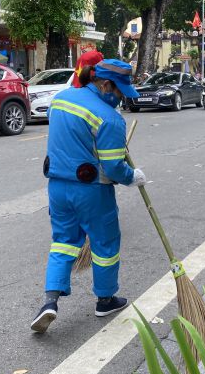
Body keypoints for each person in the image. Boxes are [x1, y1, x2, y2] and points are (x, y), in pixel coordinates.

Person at [31, 58, 147, 333]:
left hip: (57, 188)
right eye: (119, 91)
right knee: (105, 246)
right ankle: (105, 300)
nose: (120, 98)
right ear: (106, 84)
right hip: (92, 191)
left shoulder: (60, 100)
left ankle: (50, 302)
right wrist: (133, 177)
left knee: (63, 243)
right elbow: (113, 168)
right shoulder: (109, 119)